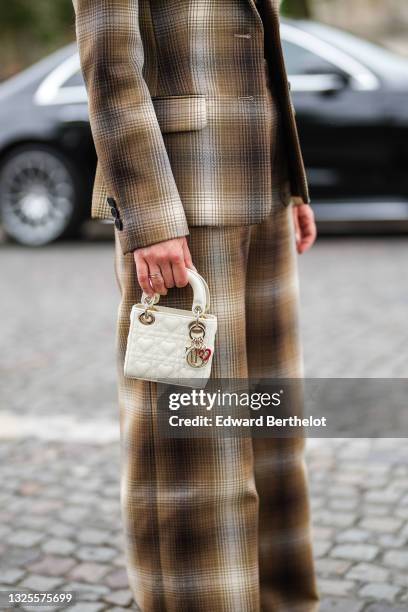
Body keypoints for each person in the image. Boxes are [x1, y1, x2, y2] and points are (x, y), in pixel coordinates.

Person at [73, 0, 319, 610]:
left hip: (259, 183)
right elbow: (109, 62)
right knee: (188, 452)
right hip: (182, 199)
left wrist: (291, 183)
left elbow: (261, 41)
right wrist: (151, 216)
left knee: (270, 437)